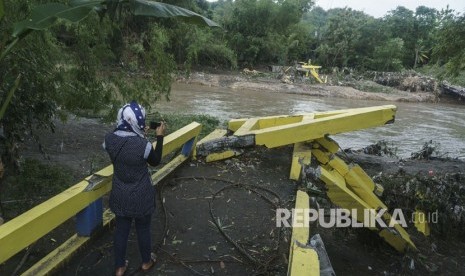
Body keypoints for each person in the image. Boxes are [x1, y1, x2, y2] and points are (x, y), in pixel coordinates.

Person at [103, 100, 166, 276]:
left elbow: (122, 144)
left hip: (120, 193)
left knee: (121, 230)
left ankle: (120, 267)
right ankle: (146, 262)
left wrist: (138, 133)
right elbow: (155, 160)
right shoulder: (143, 146)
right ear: (137, 121)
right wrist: (159, 136)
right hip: (141, 195)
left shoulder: (109, 140)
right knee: (143, 228)